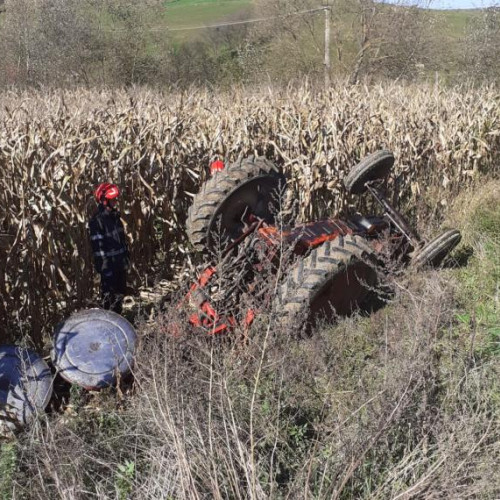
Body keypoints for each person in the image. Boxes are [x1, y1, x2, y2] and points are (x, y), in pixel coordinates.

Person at [88, 183, 129, 315]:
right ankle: (109, 324)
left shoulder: (115, 217)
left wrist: (126, 260)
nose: (115, 202)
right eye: (113, 199)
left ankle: (119, 319)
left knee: (119, 296)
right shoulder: (97, 221)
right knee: (109, 299)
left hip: (120, 264)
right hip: (109, 267)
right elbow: (98, 248)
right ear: (104, 201)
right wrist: (105, 268)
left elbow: (121, 241)